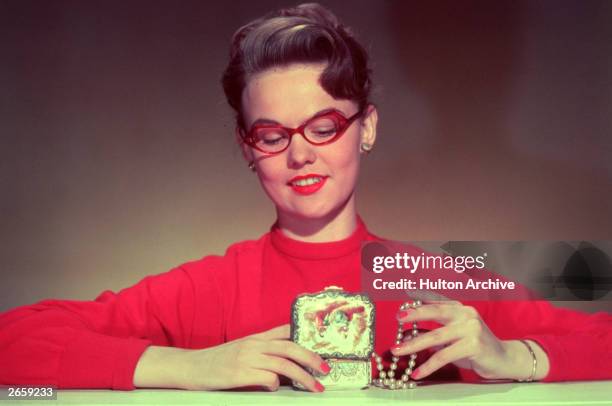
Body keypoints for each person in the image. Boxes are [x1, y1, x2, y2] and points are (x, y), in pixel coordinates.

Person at [1, 2, 611, 393]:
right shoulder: (208, 289)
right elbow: (13, 341)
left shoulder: (433, 276)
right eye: (272, 135)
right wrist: (193, 367)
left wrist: (514, 356)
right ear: (247, 146)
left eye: (324, 127)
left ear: (365, 127)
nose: (301, 155)